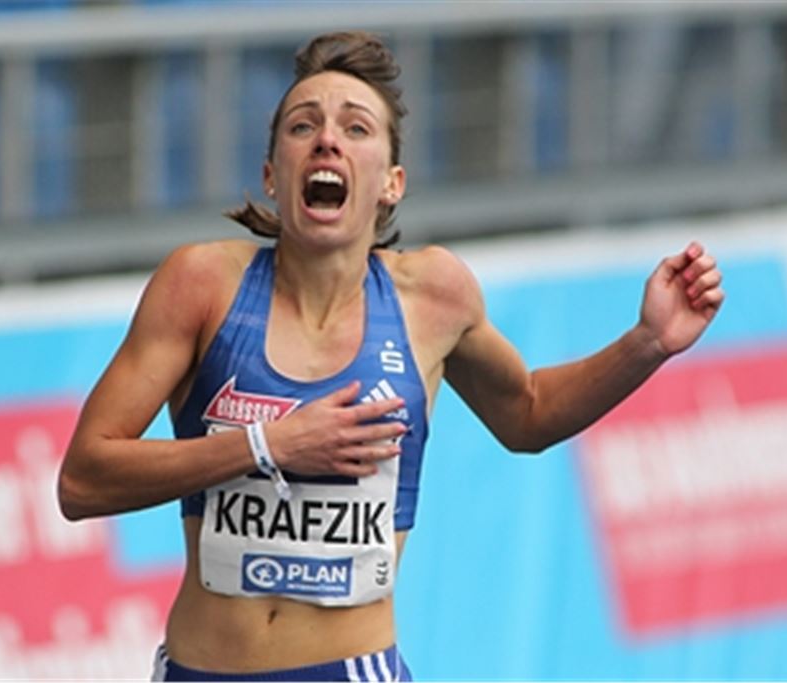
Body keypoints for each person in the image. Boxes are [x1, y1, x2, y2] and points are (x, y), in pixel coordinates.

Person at [57, 31, 724, 682]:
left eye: (356, 128)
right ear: (271, 174)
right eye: (301, 126)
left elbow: (528, 413)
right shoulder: (201, 284)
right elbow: (83, 480)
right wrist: (269, 444)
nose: (327, 139)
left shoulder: (432, 295)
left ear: (391, 182)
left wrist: (649, 343)